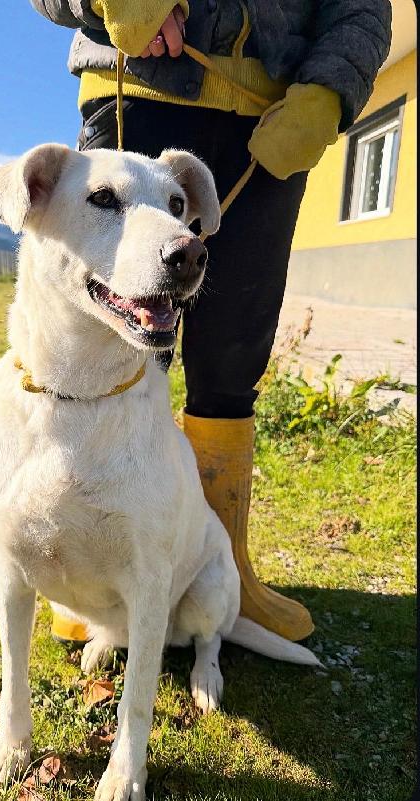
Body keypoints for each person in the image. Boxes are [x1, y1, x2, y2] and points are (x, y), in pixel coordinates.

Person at [30, 0, 392, 643]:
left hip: (274, 124)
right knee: (118, 349)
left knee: (232, 358)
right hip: (136, 93)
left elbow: (361, 5)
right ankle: (87, 573)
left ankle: (224, 570)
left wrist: (334, 89)